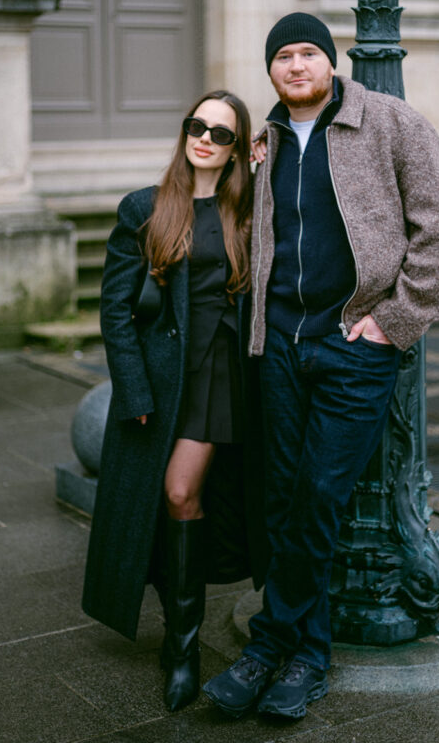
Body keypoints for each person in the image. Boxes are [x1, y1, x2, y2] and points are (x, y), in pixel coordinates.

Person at [202, 13, 439, 720]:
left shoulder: (389, 123)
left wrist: (396, 320)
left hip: (353, 346)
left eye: (308, 52)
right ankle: (297, 654)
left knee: (320, 495)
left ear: (330, 61)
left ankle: (279, 647)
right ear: (271, 71)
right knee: (286, 496)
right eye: (283, 56)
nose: (296, 65)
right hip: (281, 346)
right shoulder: (270, 143)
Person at [82, 90, 268, 713]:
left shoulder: (249, 209)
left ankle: (182, 648)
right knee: (172, 499)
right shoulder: (145, 208)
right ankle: (179, 641)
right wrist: (132, 387)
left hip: (225, 372)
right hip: (164, 380)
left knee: (181, 491)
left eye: (221, 134)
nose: (205, 140)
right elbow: (114, 310)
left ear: (238, 147)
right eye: (197, 126)